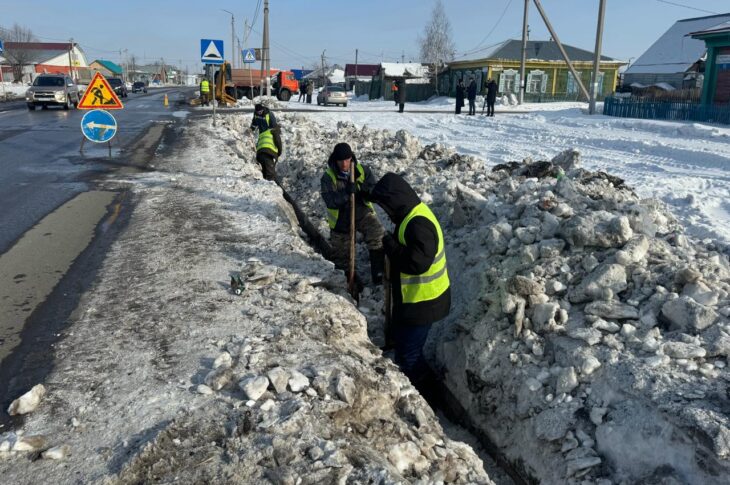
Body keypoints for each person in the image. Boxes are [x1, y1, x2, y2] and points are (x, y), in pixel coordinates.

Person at [368, 172, 451, 394]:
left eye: (386, 206)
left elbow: (417, 264)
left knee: (409, 354)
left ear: (395, 200)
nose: (386, 212)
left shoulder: (418, 224)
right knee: (404, 342)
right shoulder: (412, 213)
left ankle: (428, 396)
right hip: (416, 300)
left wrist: (389, 244)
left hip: (424, 302)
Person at [320, 142, 385, 285]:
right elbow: (330, 201)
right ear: (335, 160)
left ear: (352, 158)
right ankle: (348, 284)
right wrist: (346, 192)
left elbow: (374, 191)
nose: (345, 164)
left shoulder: (362, 170)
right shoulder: (328, 177)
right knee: (342, 258)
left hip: (361, 212)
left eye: (347, 160)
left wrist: (361, 189)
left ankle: (379, 274)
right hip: (341, 220)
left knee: (377, 234)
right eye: (341, 160)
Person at [250, 103, 282, 181]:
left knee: (268, 170)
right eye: (258, 112)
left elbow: (274, 126)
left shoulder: (269, 115)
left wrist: (274, 131)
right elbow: (254, 123)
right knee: (267, 170)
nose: (259, 113)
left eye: (260, 111)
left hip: (267, 135)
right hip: (262, 136)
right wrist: (251, 129)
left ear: (263, 109)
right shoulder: (256, 114)